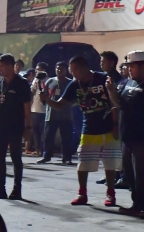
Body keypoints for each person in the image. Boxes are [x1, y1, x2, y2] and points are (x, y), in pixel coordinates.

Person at [41, 55, 121, 206]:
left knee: (110, 163)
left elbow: (114, 103)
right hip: (89, 128)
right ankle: (82, 193)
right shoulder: (74, 85)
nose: (73, 73)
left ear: (84, 67)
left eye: (75, 70)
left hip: (108, 127)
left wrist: (116, 125)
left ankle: (111, 194)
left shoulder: (103, 78)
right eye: (71, 70)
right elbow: (60, 105)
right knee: (83, 162)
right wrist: (47, 100)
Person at [0, 54, 32, 200]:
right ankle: (1, 188)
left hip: (16, 125)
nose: (0, 70)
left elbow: (27, 106)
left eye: (2, 67)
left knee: (15, 157)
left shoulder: (22, 83)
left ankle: (17, 190)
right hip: (1, 125)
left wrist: (28, 127)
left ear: (10, 66)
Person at [106, 51, 144, 216]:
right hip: (127, 136)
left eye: (133, 66)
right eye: (128, 66)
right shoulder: (127, 83)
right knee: (130, 174)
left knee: (142, 173)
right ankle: (136, 204)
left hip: (141, 138)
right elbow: (119, 104)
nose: (130, 70)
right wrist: (112, 92)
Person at [38, 61, 75, 165]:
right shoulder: (49, 82)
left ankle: (67, 157)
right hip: (51, 114)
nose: (59, 71)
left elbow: (74, 100)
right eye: (57, 69)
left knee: (66, 137)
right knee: (48, 136)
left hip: (66, 114)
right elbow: (44, 96)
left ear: (66, 70)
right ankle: (46, 156)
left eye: (62, 69)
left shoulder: (70, 83)